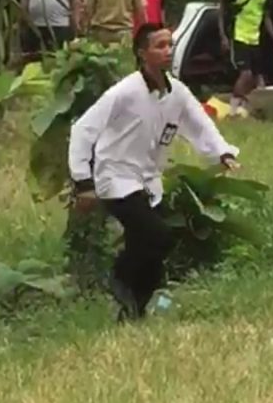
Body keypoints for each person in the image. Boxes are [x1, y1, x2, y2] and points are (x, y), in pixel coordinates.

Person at [68, 23, 239, 320]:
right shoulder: (125, 92)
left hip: (148, 179)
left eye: (169, 45)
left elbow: (198, 123)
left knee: (147, 247)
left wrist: (222, 151)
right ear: (142, 53)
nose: (167, 52)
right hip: (116, 177)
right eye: (159, 46)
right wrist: (82, 180)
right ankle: (119, 277)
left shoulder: (177, 92)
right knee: (158, 236)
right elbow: (84, 128)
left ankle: (134, 309)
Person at [218, 0, 273, 115]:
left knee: (258, 76)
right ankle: (233, 108)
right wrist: (223, 36)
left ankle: (258, 107)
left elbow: (267, 18)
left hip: (256, 39)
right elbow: (221, 11)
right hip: (239, 37)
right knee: (245, 74)